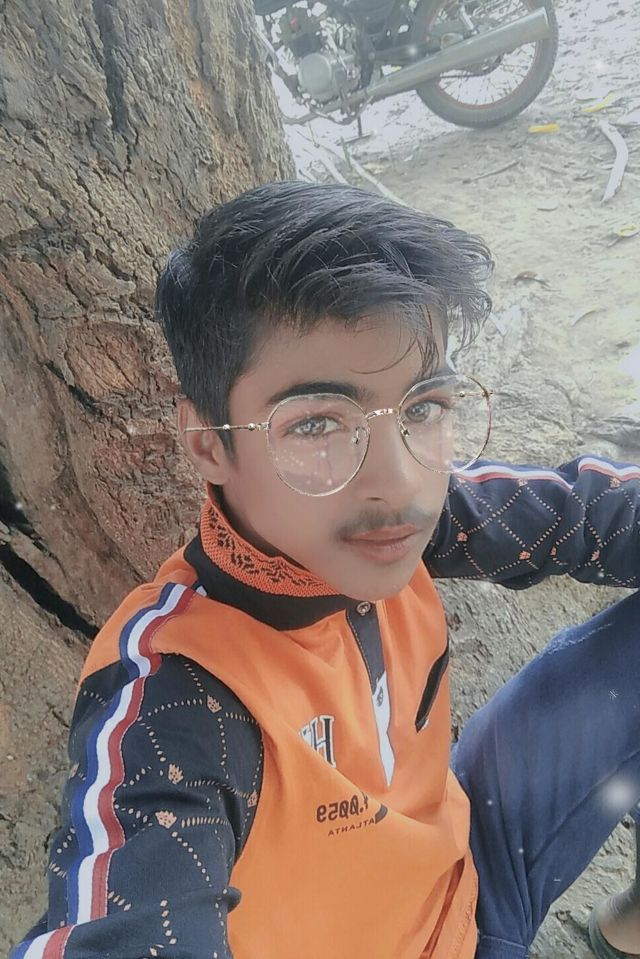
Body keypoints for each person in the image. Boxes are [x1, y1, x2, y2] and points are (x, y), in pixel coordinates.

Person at [10, 181, 640, 959]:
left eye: (423, 407)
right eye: (315, 424)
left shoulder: (403, 520)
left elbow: (586, 512)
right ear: (208, 443)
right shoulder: (181, 693)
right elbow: (129, 915)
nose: (400, 481)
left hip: (470, 873)